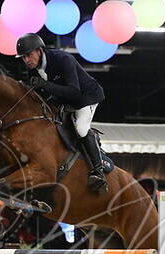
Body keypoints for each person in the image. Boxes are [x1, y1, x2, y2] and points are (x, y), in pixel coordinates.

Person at [15, 33, 108, 194]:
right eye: (23, 57)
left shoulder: (62, 59)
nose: (27, 60)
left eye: (29, 55)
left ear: (40, 50)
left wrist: (45, 85)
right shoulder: (32, 69)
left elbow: (74, 92)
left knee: (81, 128)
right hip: (64, 99)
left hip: (86, 97)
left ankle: (98, 172)